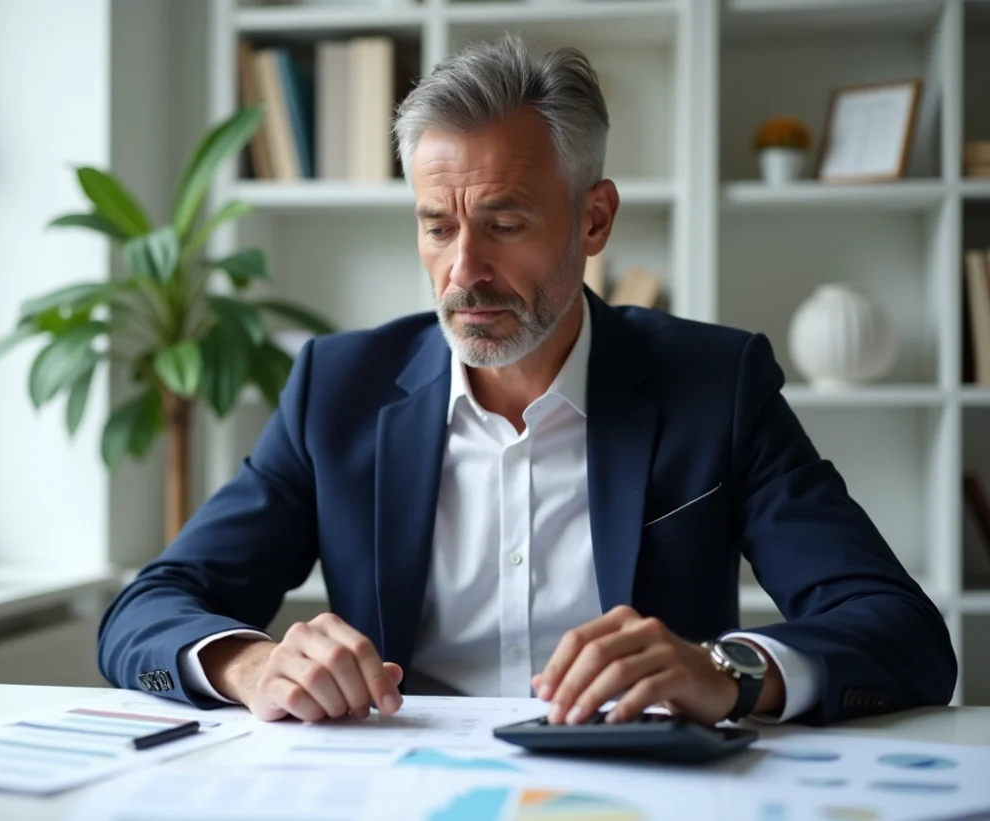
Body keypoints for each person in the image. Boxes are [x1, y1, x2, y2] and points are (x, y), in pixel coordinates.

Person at [97, 35, 956, 728]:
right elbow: (150, 607)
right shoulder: (338, 390)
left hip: (638, 788)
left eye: (505, 223)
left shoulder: (715, 386)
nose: (464, 270)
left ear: (594, 219)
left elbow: (901, 629)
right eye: (438, 227)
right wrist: (252, 664)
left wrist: (727, 668)